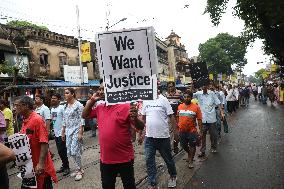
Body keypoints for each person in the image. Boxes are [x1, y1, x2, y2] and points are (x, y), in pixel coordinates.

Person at [82, 81, 145, 189]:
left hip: (124, 158)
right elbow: (84, 115)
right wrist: (92, 100)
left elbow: (140, 127)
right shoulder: (99, 107)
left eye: (104, 89)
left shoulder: (126, 106)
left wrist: (135, 118)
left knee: (129, 186)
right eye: (100, 89)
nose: (101, 91)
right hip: (106, 160)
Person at [14, 96, 57, 189]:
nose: (15, 108)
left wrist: (41, 163)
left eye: (17, 105)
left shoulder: (37, 119)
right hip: (29, 166)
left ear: (25, 106)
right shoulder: (24, 120)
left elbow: (44, 142)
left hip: (38, 166)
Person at [141, 91, 178, 188]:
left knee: (168, 159)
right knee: (149, 160)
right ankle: (152, 180)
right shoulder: (146, 100)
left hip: (163, 137)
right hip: (149, 138)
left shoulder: (163, 99)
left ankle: (173, 176)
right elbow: (143, 118)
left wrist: (176, 132)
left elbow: (171, 116)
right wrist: (140, 133)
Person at [193, 84, 224, 157]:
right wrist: (193, 85)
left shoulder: (212, 93)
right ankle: (202, 150)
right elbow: (190, 95)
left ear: (207, 86)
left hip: (211, 118)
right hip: (202, 119)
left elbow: (218, 103)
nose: (204, 86)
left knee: (213, 134)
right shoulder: (198, 93)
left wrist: (222, 113)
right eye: (202, 85)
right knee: (202, 135)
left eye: (205, 85)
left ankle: (214, 147)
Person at [61, 88, 85, 181]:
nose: (65, 95)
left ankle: (79, 170)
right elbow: (64, 119)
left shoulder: (78, 105)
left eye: (67, 93)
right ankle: (78, 168)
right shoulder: (66, 105)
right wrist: (63, 131)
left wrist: (80, 132)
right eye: (65, 93)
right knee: (70, 152)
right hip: (68, 131)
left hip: (76, 130)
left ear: (72, 94)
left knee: (75, 150)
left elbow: (82, 118)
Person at [177, 91, 202, 168]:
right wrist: (178, 127)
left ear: (191, 98)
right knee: (183, 145)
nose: (186, 98)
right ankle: (189, 154)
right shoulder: (180, 106)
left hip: (192, 131)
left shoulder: (196, 107)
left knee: (192, 145)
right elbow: (178, 117)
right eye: (185, 97)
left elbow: (199, 119)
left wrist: (200, 131)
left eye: (188, 97)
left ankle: (191, 160)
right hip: (182, 131)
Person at [50, 93, 70, 176]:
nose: (52, 100)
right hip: (56, 133)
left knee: (63, 151)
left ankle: (67, 167)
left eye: (54, 98)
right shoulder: (52, 109)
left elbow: (66, 120)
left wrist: (63, 132)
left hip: (62, 133)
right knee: (59, 151)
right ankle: (64, 165)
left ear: (59, 100)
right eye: (52, 98)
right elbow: (53, 120)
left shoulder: (62, 108)